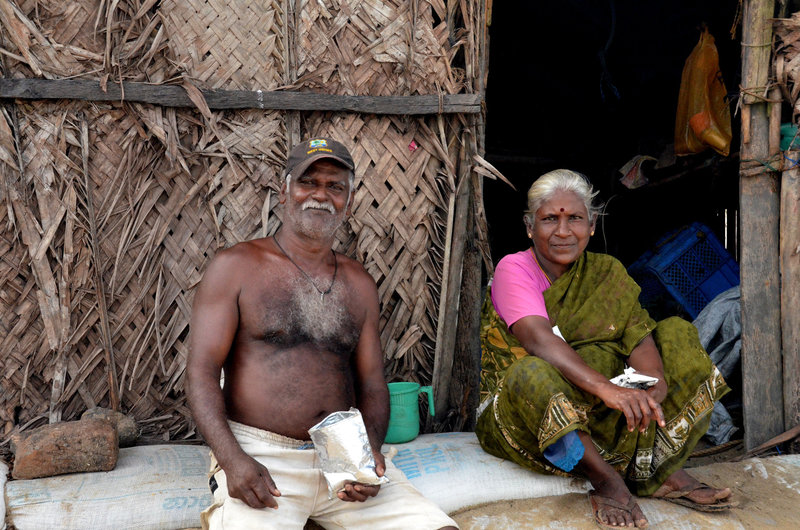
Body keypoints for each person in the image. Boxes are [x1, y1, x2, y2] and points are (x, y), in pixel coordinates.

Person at [187, 137, 457, 529]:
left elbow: (372, 384)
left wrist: (370, 454)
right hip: (261, 451)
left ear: (349, 201)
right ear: (284, 191)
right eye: (308, 182)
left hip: (344, 450)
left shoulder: (358, 282)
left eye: (335, 186)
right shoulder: (236, 266)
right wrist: (232, 460)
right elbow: (200, 372)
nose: (321, 195)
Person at [476, 169, 735, 529]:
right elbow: (537, 339)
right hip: (524, 410)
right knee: (531, 371)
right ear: (529, 226)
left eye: (575, 219)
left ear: (592, 224)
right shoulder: (514, 269)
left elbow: (638, 337)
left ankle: (655, 471)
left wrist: (652, 386)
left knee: (676, 333)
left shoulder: (607, 272)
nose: (563, 231)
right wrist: (607, 389)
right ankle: (608, 482)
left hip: (597, 403)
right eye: (550, 219)